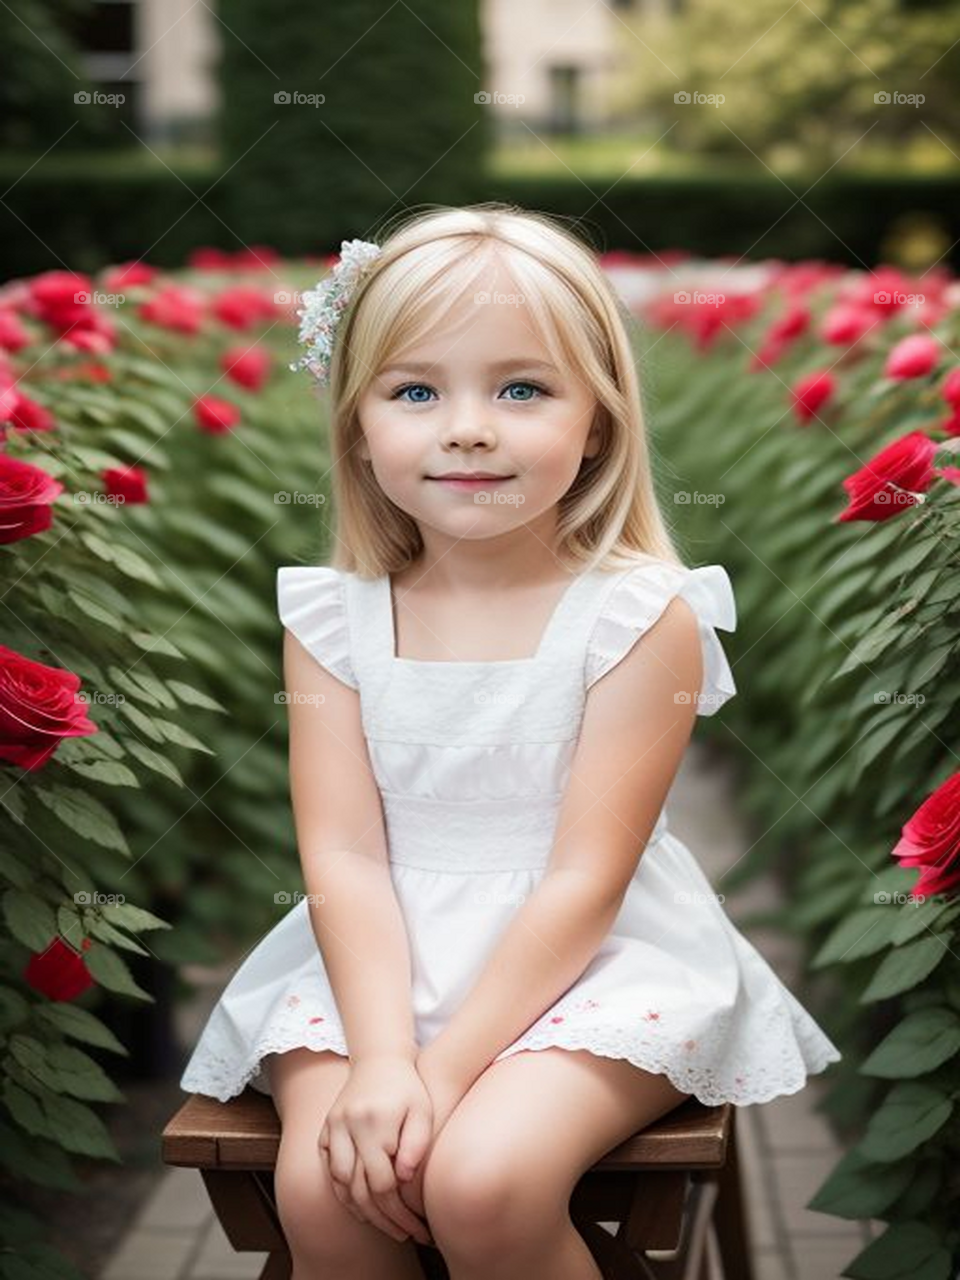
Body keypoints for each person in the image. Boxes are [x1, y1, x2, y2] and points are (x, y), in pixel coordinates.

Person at [180, 203, 842, 1280]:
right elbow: (344, 855)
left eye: (522, 387)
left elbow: (586, 877)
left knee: (482, 1179)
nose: (469, 426)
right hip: (381, 951)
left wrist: (437, 1081)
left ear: (599, 422)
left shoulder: (638, 615)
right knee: (325, 1189)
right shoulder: (334, 617)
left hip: (596, 958)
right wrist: (388, 1057)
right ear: (356, 425)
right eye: (415, 390)